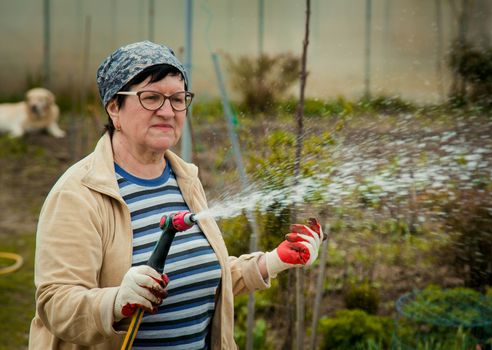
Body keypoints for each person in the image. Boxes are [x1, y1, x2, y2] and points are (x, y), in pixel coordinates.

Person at [28, 40, 324, 350]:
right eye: (152, 98)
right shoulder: (78, 193)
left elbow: (200, 276)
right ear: (114, 107)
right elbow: (55, 304)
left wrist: (273, 262)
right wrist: (115, 301)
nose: (168, 111)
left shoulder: (185, 179)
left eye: (178, 99)